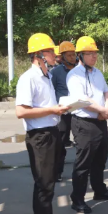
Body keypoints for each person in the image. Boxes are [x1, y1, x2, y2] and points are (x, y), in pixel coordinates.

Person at [16, 33, 73, 214]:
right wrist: (52, 110)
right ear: (38, 55)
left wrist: (59, 108)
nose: (54, 55)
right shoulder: (28, 78)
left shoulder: (46, 75)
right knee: (45, 186)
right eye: (50, 51)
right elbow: (21, 111)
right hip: (40, 137)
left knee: (45, 183)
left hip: (51, 132)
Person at [66, 36, 108, 214]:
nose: (94, 56)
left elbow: (106, 92)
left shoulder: (97, 73)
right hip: (84, 124)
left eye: (95, 53)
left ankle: (99, 190)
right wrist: (102, 110)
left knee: (100, 159)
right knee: (83, 163)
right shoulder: (74, 75)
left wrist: (107, 108)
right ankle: (78, 199)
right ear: (80, 55)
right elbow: (82, 100)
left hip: (100, 122)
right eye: (89, 53)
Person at [49, 41, 77, 182]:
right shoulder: (56, 72)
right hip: (63, 113)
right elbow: (51, 92)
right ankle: (57, 172)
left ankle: (84, 170)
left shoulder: (79, 70)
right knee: (60, 144)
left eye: (74, 54)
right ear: (62, 56)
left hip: (78, 111)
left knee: (83, 143)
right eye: (69, 55)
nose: (72, 57)